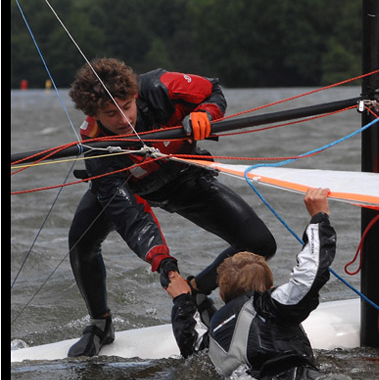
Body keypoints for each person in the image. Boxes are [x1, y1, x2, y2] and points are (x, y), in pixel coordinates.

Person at [66, 57, 277, 357]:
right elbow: (132, 217)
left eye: (126, 107)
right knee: (80, 243)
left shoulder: (160, 86)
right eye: (110, 114)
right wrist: (164, 264)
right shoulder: (95, 144)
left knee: (260, 243)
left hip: (180, 175)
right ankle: (101, 323)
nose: (123, 119)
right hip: (127, 185)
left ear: (135, 95)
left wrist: (206, 112)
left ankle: (199, 289)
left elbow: (213, 91)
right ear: (94, 114)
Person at [167, 187, 379, 380]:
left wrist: (183, 299)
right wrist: (319, 217)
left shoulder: (214, 335)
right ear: (270, 287)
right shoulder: (269, 305)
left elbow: (190, 340)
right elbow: (310, 275)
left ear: (223, 296)